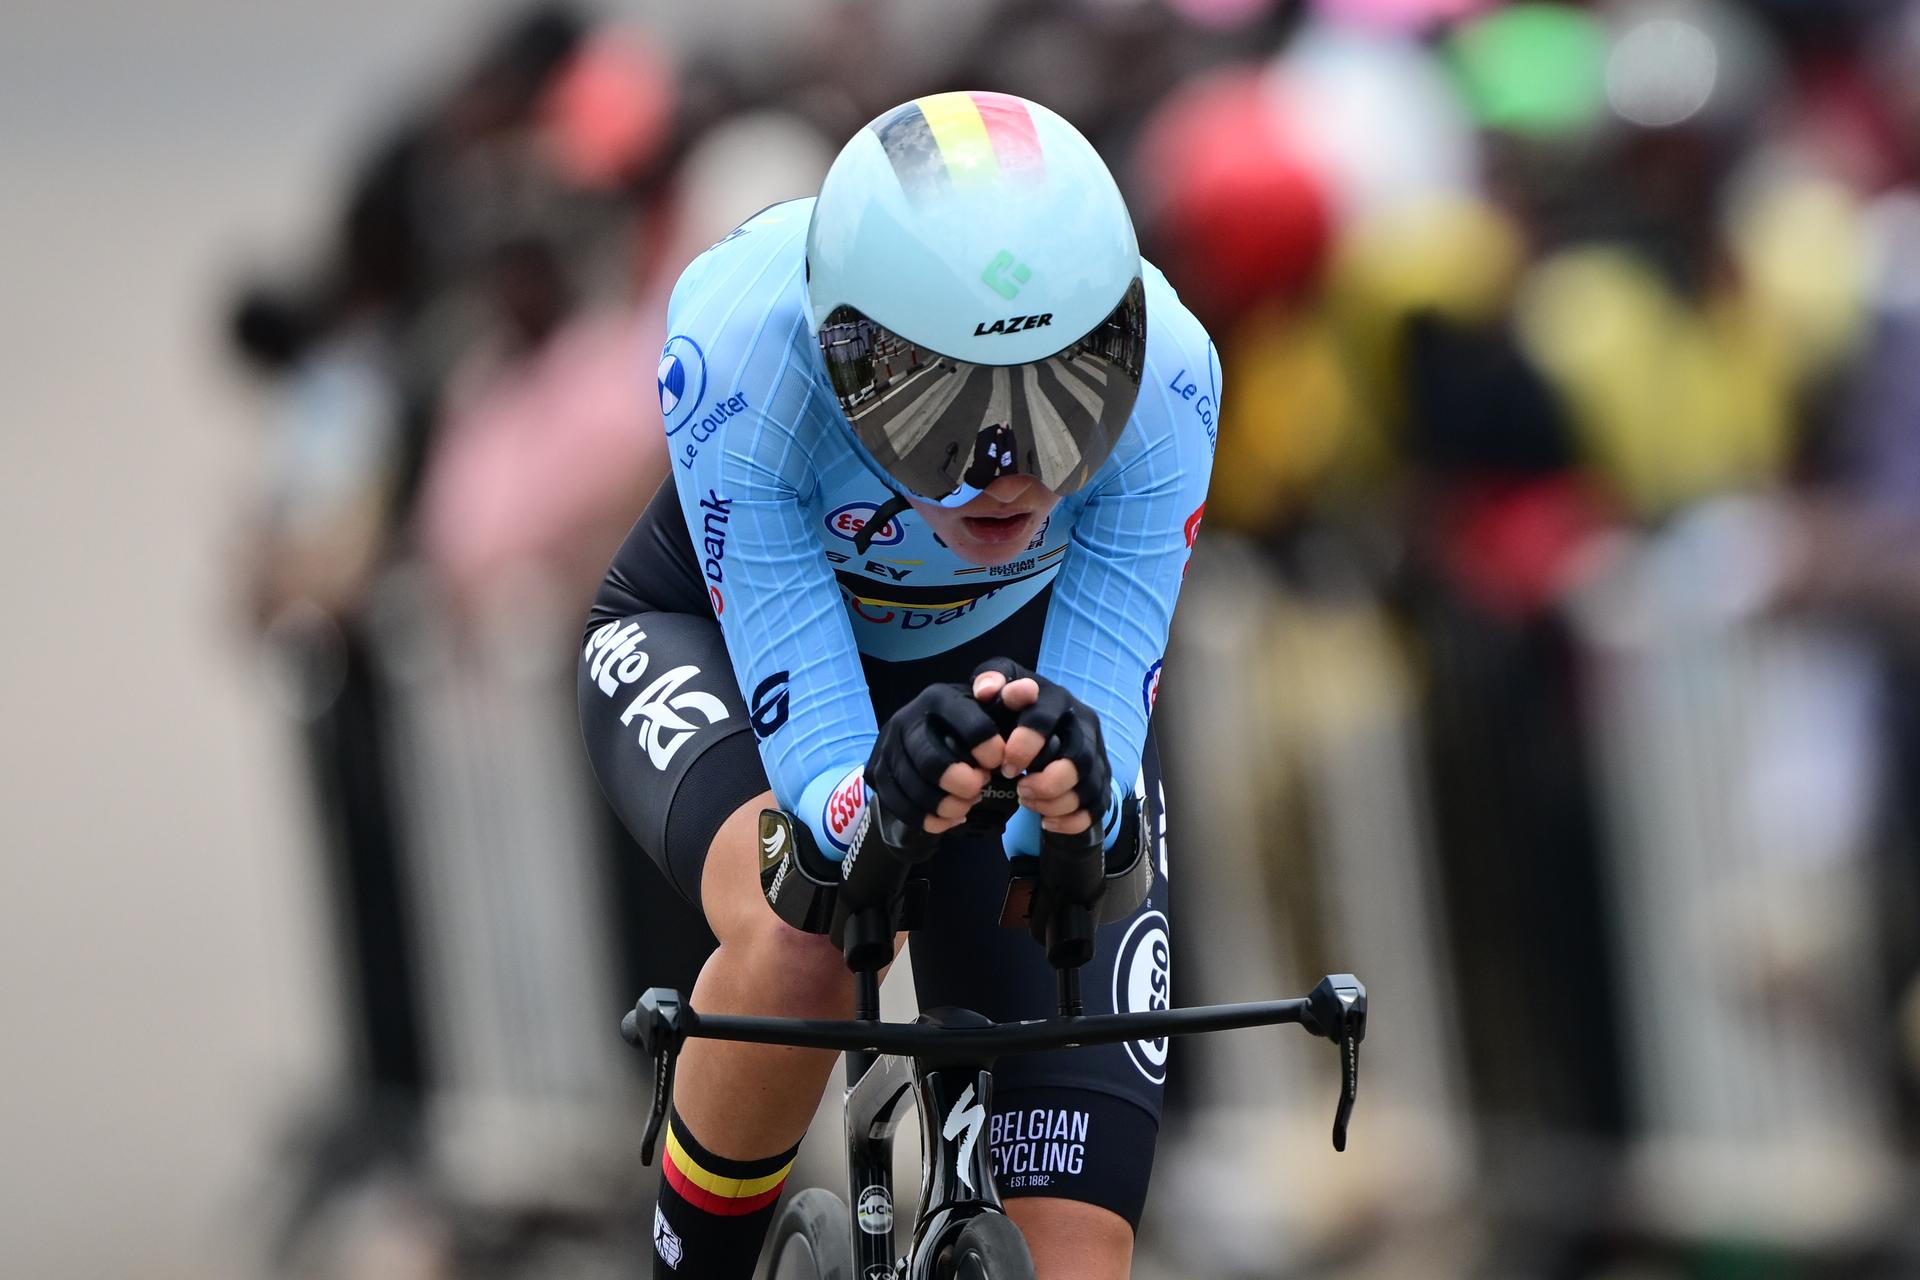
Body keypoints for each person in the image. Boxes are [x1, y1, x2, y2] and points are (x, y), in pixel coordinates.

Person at [579, 90, 1218, 1280]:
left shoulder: (1176, 378)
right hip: (712, 642)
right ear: (846, 348)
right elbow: (823, 797)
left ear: (1122, 345)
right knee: (802, 931)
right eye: (947, 407)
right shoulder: (739, 344)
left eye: (1062, 396)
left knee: (1074, 1247)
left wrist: (1079, 808)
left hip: (998, 678)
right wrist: (862, 802)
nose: (1007, 469)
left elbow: (1098, 803)